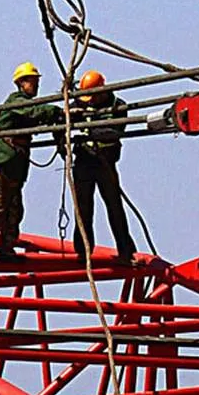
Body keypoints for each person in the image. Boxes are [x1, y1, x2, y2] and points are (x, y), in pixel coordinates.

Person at [0, 62, 51, 261]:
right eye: (32, 81)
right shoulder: (16, 102)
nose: (35, 85)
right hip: (1, 163)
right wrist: (57, 112)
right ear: (20, 83)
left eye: (37, 81)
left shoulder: (26, 105)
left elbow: (37, 115)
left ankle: (6, 248)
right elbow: (34, 112)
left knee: (14, 209)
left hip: (15, 165)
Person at [69, 69, 136, 264]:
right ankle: (83, 251)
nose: (89, 101)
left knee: (115, 208)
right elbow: (61, 121)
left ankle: (125, 251)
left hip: (105, 163)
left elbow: (113, 131)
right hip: (83, 162)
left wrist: (88, 131)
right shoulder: (79, 104)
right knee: (83, 208)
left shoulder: (118, 107)